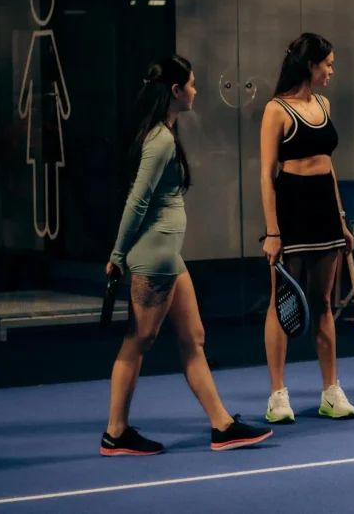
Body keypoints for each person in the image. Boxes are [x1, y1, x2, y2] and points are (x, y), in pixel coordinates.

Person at [103, 54, 272, 455]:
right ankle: (115, 433)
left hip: (169, 258)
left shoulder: (165, 132)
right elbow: (137, 200)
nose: (196, 90)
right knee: (138, 341)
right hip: (154, 258)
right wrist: (117, 255)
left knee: (193, 339)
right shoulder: (160, 139)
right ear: (176, 91)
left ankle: (222, 425)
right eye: (192, 84)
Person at [259, 33, 354, 423]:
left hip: (325, 211)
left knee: (323, 302)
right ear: (310, 65)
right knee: (281, 302)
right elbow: (267, 175)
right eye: (327, 64)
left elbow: (328, 167)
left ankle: (331, 392)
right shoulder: (276, 110)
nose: (331, 71)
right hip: (291, 210)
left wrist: (342, 219)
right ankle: (277, 395)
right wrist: (273, 232)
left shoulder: (323, 104)